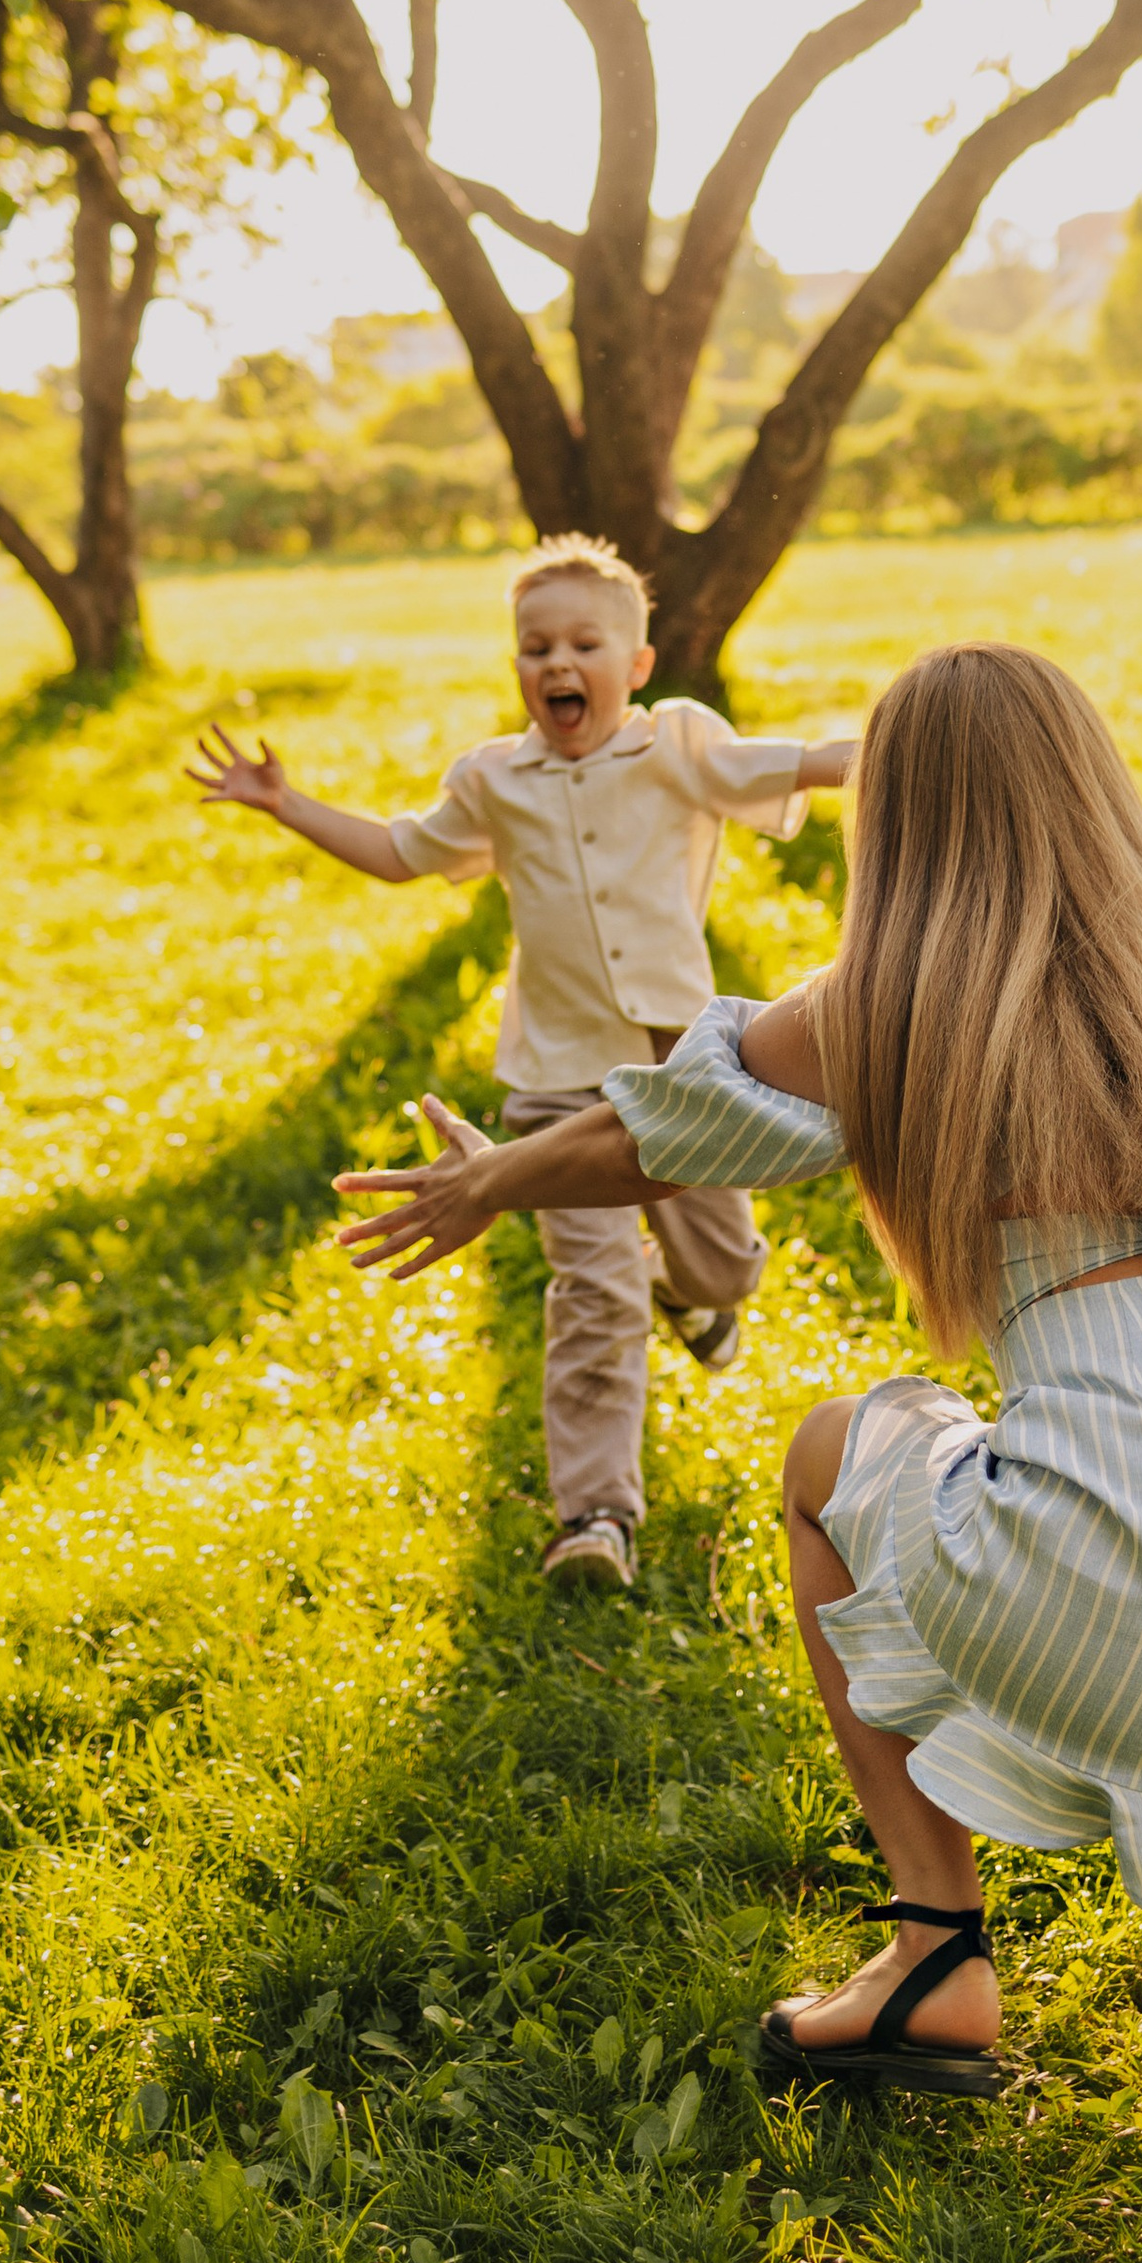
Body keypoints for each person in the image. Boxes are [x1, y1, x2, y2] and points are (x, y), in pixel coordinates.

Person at [335, 640, 1142, 2095]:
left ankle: (934, 1953)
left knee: (843, 1459)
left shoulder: (892, 1000)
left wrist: (495, 1178)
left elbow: (654, 1134)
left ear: (900, 810)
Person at [192, 531, 858, 1590]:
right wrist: (287, 806)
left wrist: (915, 745)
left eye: (583, 644)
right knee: (587, 1293)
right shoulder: (494, 780)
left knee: (725, 1265)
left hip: (684, 1066)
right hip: (555, 1069)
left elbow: (806, 763)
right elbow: (403, 854)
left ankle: (688, 1295)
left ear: (633, 668)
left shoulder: (678, 745)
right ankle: (593, 1516)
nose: (555, 663)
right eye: (533, 646)